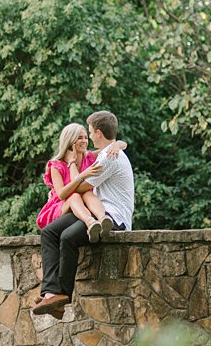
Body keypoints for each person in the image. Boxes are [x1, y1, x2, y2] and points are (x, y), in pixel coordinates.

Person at [33, 111, 135, 318]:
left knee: (68, 237)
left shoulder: (109, 156)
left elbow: (79, 189)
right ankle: (52, 293)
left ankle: (62, 296)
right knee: (50, 233)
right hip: (95, 210)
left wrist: (74, 169)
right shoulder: (108, 152)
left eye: (88, 133)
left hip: (113, 217)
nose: (87, 138)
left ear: (98, 133)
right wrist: (119, 143)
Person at [36, 123, 126, 242]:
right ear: (70, 141)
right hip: (61, 205)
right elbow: (62, 194)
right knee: (74, 196)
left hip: (83, 205)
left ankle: (102, 219)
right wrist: (82, 173)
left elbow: (121, 145)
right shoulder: (56, 165)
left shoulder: (88, 157)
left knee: (87, 193)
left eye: (85, 137)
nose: (84, 141)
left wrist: (116, 145)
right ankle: (90, 222)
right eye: (79, 138)